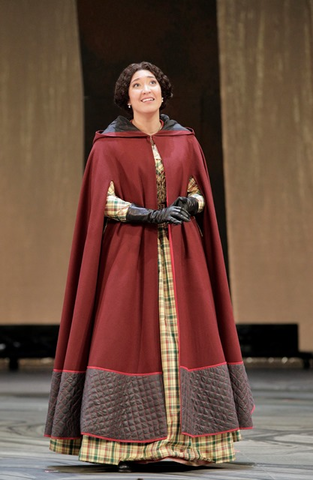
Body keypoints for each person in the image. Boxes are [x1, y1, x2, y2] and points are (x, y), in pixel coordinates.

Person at [45, 61, 254, 470]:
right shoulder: (108, 144)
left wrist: (185, 205)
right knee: (125, 337)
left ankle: (191, 443)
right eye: (137, 85)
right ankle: (129, 445)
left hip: (183, 255)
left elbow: (199, 193)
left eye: (152, 83)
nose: (146, 90)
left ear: (162, 92)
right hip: (129, 254)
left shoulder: (185, 140)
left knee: (189, 335)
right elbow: (101, 201)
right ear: (127, 97)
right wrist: (146, 216)